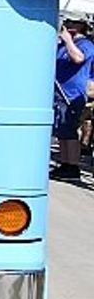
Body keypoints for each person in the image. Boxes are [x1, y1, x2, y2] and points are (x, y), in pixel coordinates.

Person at [55, 16, 94, 182]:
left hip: (72, 94)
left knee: (69, 131)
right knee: (62, 132)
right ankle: (65, 164)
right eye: (67, 22)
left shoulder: (85, 44)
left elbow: (78, 58)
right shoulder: (63, 45)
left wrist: (68, 41)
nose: (69, 25)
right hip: (59, 92)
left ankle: (72, 166)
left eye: (73, 23)